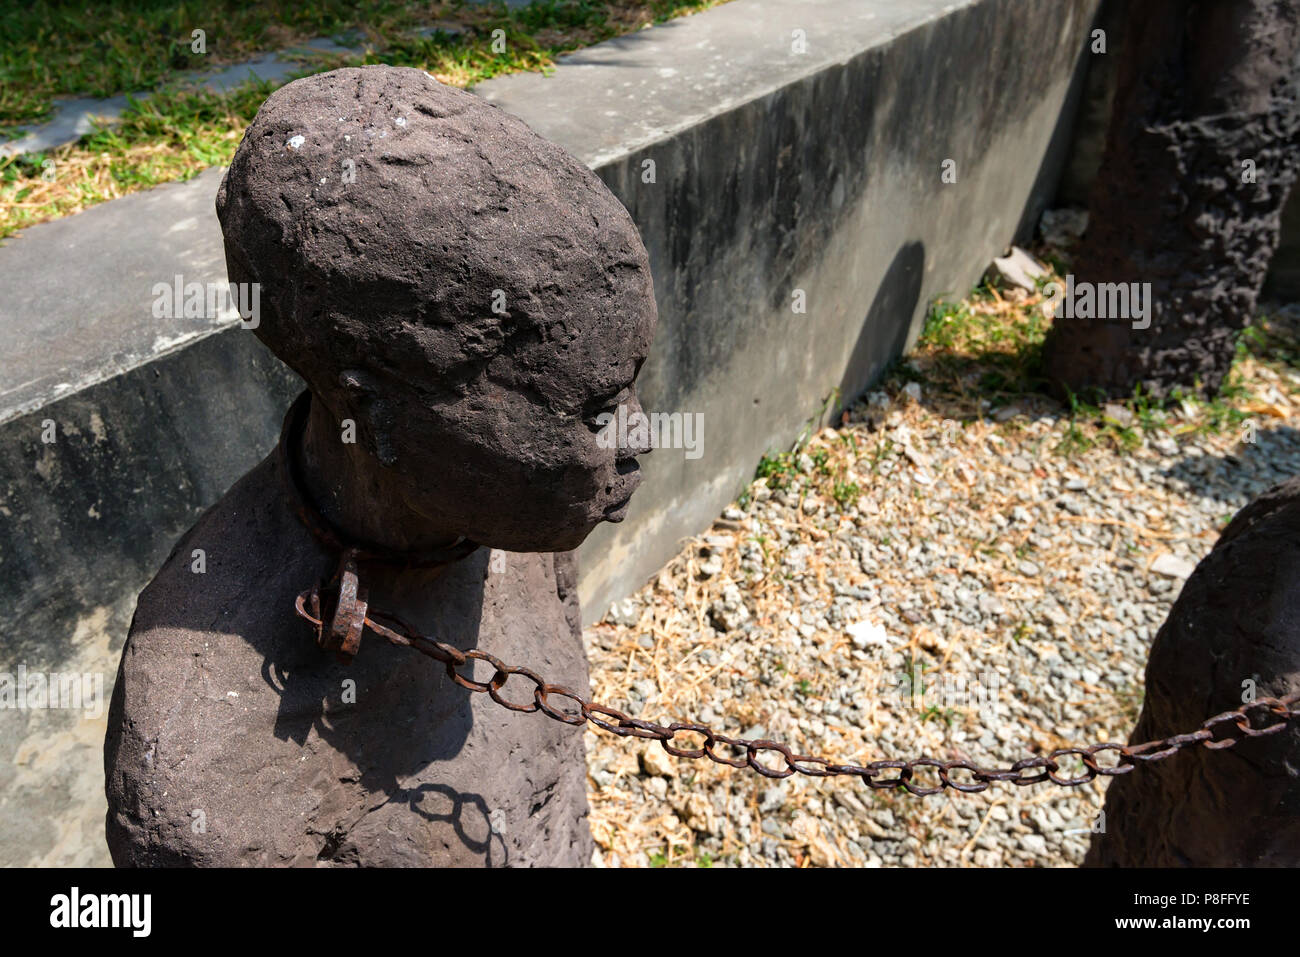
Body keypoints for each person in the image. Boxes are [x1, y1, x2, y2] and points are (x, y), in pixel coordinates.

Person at [104, 65, 658, 866]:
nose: (640, 436)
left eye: (632, 384)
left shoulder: (512, 542)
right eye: (596, 412)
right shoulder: (197, 754)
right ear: (377, 413)